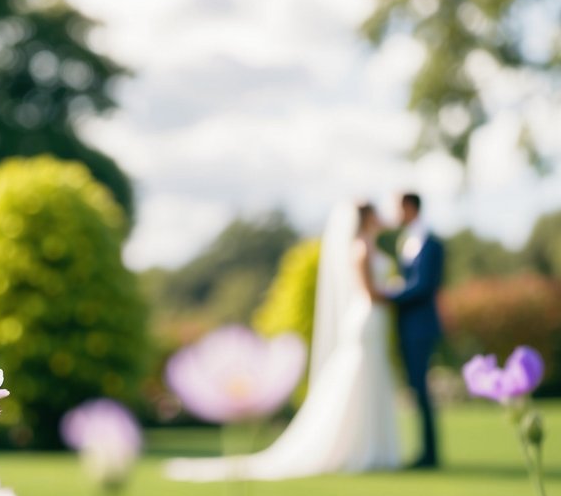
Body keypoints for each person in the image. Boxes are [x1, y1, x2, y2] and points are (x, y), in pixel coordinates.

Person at [165, 201, 402, 481]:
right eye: (376, 215)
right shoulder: (360, 251)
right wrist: (399, 292)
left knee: (369, 381)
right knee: (359, 379)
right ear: (366, 220)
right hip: (367, 318)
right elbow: (369, 292)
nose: (381, 219)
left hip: (373, 318)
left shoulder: (366, 247)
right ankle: (360, 448)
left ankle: (373, 448)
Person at [367, 193, 444, 469]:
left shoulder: (431, 243)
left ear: (409, 207)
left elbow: (423, 286)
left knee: (422, 389)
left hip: (420, 327)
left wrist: (389, 295)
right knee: (416, 389)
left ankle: (430, 454)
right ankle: (426, 450)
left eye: (397, 206)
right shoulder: (408, 241)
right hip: (407, 326)